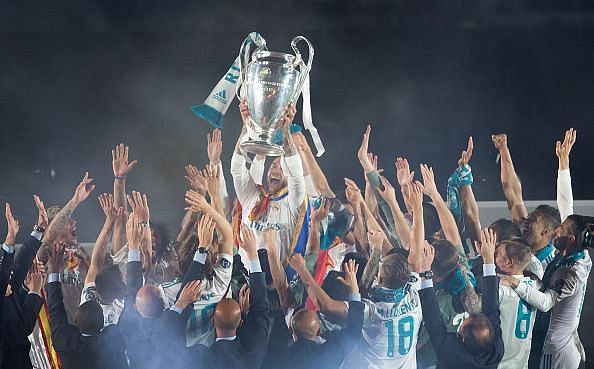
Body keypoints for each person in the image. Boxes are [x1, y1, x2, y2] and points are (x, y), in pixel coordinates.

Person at [500, 214, 593, 369]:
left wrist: (514, 282)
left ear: (571, 239)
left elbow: (546, 303)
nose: (556, 231)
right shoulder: (581, 255)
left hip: (556, 354)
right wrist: (536, 280)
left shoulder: (569, 273)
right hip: (564, 342)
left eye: (561, 229)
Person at [118, 212, 203, 369]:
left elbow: (132, 286)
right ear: (165, 305)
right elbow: (190, 288)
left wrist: (134, 246)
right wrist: (202, 248)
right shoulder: (170, 325)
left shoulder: (127, 323)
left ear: (136, 306)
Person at [231, 100, 307, 266]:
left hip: (274, 287)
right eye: (273, 165)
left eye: (282, 168)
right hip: (242, 282)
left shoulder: (293, 203)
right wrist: (245, 128)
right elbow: (237, 169)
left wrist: (286, 131)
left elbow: (296, 175)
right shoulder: (251, 196)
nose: (275, 170)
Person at [419, 227, 504, 369]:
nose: (465, 317)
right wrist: (488, 259)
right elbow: (492, 306)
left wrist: (426, 272)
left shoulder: (450, 353)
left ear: (462, 338)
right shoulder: (494, 348)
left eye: (464, 323)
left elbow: (432, 318)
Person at [159, 190, 234, 347]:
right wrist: (206, 207)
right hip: (208, 354)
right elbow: (227, 234)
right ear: (213, 259)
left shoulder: (166, 291)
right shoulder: (219, 282)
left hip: (180, 358)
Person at [190, 225, 270, 369]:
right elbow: (261, 309)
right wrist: (253, 255)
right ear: (240, 323)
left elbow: (169, 342)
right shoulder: (254, 351)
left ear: (212, 320)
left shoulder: (201, 358)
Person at [263, 259, 364, 369]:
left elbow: (283, 291)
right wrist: (354, 289)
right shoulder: (328, 356)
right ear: (319, 330)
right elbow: (354, 332)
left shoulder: (275, 358)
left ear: (291, 329)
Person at [45, 241, 128, 369]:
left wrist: (53, 270)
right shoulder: (112, 338)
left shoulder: (64, 340)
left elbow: (55, 308)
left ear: (76, 321)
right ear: (102, 324)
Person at [492, 134, 562, 270]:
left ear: (545, 231)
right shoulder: (522, 238)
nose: (525, 220)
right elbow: (513, 196)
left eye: (532, 220)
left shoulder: (552, 263)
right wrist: (504, 150)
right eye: (528, 217)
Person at [0, 201, 46, 369]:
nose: (11, 274)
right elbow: (24, 327)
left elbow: (17, 267)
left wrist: (38, 230)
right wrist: (34, 291)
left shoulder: (6, 290)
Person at [494, 237, 538, 369]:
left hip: (501, 364)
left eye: (498, 254)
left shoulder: (502, 290)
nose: (494, 254)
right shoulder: (533, 287)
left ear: (509, 263)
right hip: (521, 363)